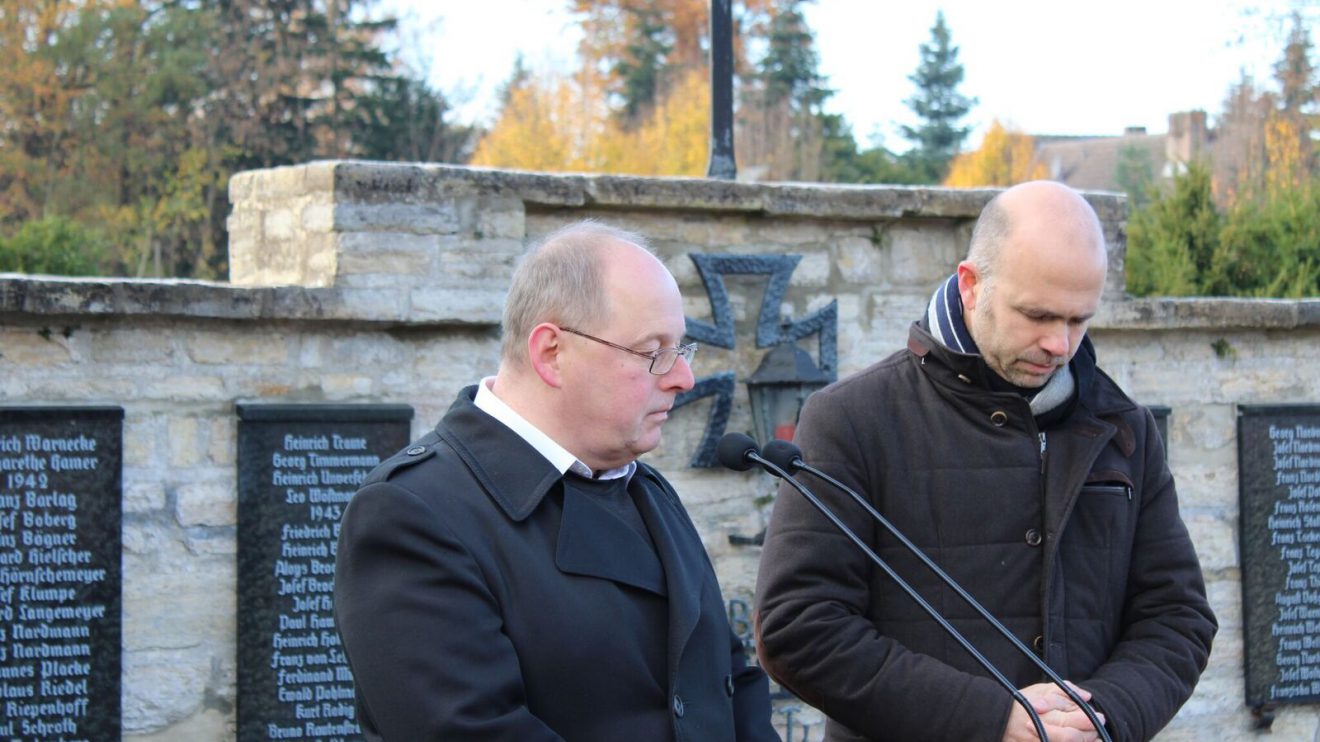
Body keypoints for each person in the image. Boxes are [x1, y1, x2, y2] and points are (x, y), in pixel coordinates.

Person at [754, 181, 1217, 742]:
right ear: (970, 285)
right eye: (1038, 315)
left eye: (1079, 320)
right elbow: (799, 629)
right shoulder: (851, 420)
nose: (1060, 344)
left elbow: (1177, 618)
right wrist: (993, 719)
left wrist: (1102, 716)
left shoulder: (1124, 428)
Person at [334, 221, 777, 741]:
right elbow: (471, 730)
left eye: (682, 350)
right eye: (654, 351)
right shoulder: (412, 512)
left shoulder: (644, 488)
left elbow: (728, 682)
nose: (683, 377)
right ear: (551, 353)